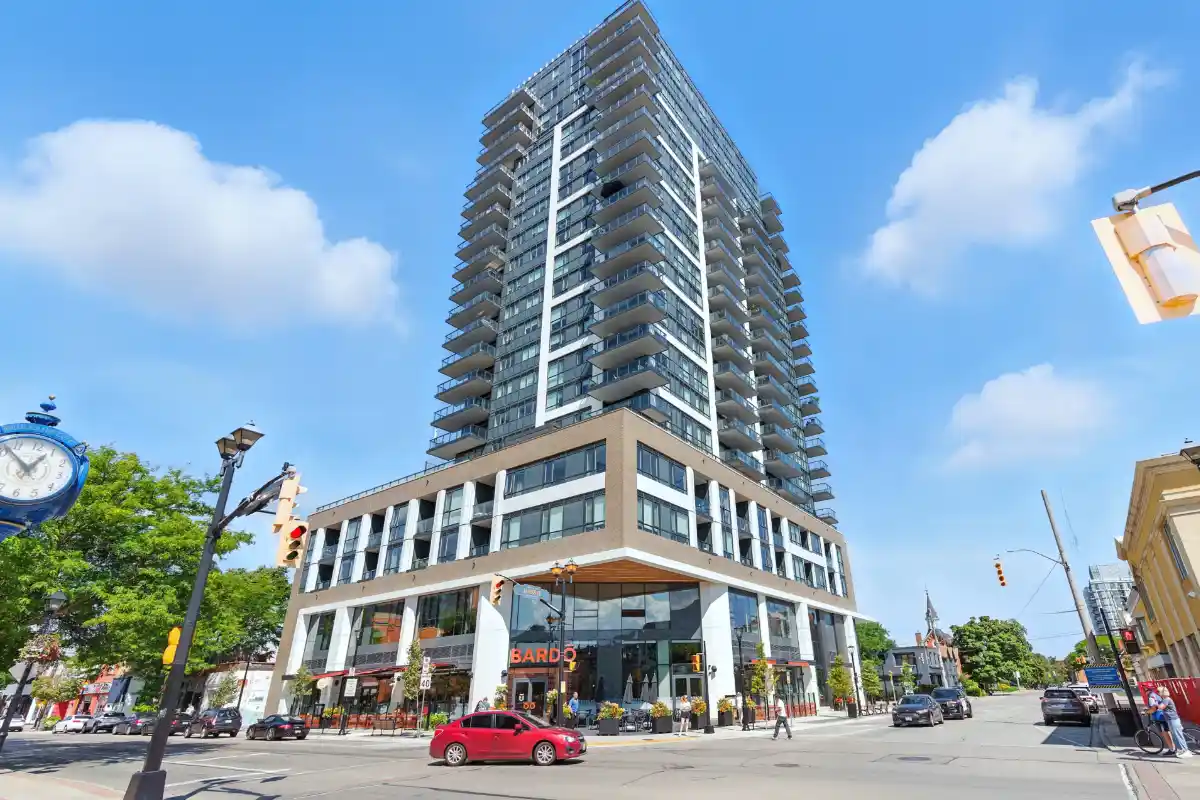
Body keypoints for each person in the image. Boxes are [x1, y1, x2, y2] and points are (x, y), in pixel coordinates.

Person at [1155, 686, 1192, 759]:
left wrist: (1154, 704)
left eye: (1158, 692)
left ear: (1162, 692)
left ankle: (1185, 751)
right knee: (1175, 736)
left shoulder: (1166, 699)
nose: (1157, 693)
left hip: (1173, 719)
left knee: (1178, 735)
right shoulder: (1165, 699)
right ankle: (1182, 750)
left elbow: (1160, 707)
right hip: (1171, 720)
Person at [1146, 686, 1173, 752]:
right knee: (1167, 732)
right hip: (1163, 715)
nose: (1146, 692)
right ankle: (1173, 747)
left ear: (1148, 691)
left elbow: (1154, 708)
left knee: (1165, 733)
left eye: (1146, 691)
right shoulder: (1156, 696)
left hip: (1159, 717)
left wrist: (1146, 712)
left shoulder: (1151, 697)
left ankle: (1171, 749)